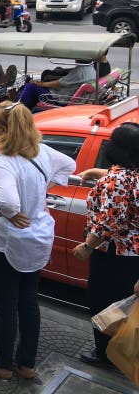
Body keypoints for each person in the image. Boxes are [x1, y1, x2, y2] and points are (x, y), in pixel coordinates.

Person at [0, 102, 75, 381]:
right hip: (36, 240)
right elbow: (71, 164)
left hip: (6, 244)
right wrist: (40, 191)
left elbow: (5, 200)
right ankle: (27, 364)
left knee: (6, 304)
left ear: (4, 129)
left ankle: (3, 363)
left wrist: (12, 212)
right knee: (29, 302)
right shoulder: (42, 153)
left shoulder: (3, 165)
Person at [72, 122, 139, 367]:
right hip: (131, 254)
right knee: (123, 305)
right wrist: (94, 172)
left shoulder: (118, 180)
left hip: (113, 254)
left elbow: (110, 222)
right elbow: (123, 179)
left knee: (104, 304)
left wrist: (87, 246)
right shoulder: (128, 174)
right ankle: (121, 352)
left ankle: (106, 355)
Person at [19, 60, 96, 110]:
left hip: (61, 99)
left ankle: (19, 111)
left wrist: (41, 84)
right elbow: (68, 78)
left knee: (30, 86)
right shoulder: (91, 69)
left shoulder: (80, 72)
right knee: (34, 91)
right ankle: (27, 109)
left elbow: (59, 83)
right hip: (74, 97)